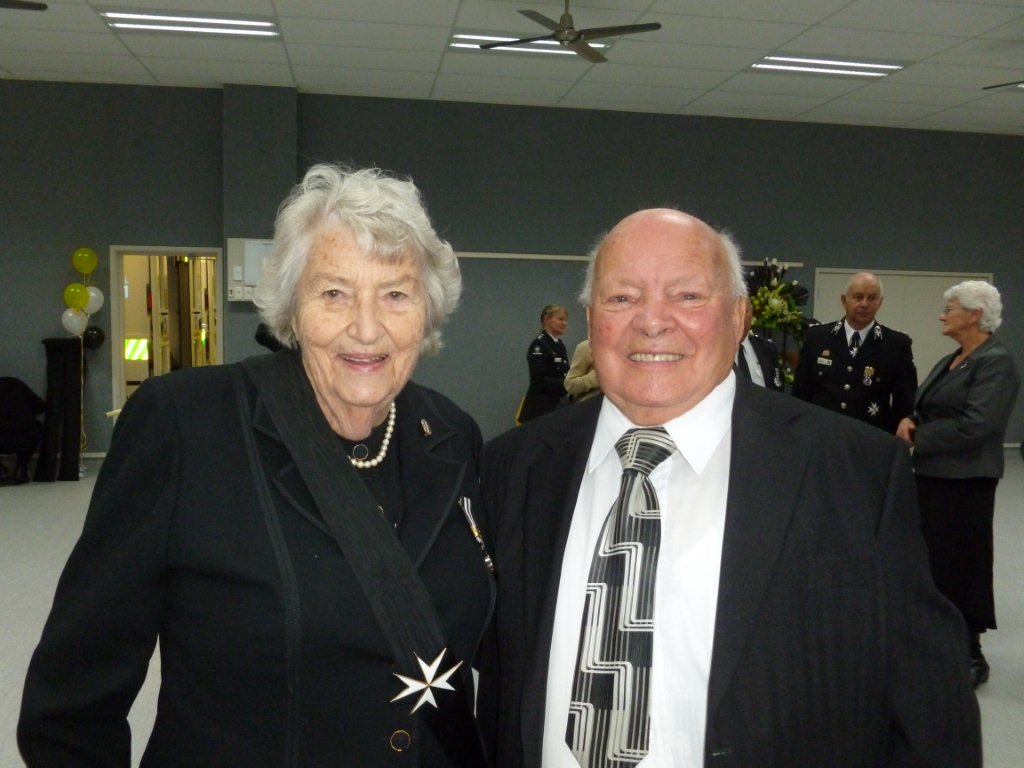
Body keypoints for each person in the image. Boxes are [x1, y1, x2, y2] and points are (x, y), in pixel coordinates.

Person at [19, 164, 494, 767]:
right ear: (292, 308)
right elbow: (72, 697)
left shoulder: (452, 434)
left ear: (427, 311)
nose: (367, 327)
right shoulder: (185, 425)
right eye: (334, 293)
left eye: (396, 294)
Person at [477, 208, 980, 768]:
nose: (652, 320)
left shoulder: (856, 471)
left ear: (739, 317)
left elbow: (930, 708)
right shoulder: (513, 467)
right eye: (622, 298)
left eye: (688, 295)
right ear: (592, 318)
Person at [896, 280, 1020, 689]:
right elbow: (928, 405)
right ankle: (936, 639)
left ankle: (970, 650)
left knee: (963, 564)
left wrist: (918, 436)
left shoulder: (995, 361)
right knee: (934, 562)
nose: (942, 314)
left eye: (950, 308)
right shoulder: (955, 359)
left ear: (974, 314)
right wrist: (913, 419)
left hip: (966, 483)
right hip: (933, 478)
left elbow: (978, 425)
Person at [792, 271, 916, 433]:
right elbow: (800, 392)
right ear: (844, 300)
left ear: (880, 302)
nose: (864, 304)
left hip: (870, 437)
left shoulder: (896, 344)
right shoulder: (817, 337)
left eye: (872, 298)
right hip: (822, 434)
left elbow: (904, 402)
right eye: (858, 297)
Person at [518, 304, 569, 423]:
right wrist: (567, 385)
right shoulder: (540, 345)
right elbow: (538, 380)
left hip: (557, 406)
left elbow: (565, 373)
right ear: (547, 319)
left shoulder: (559, 345)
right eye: (560, 319)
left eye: (565, 320)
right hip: (541, 409)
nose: (565, 323)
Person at [0, 377, 45, 484]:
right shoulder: (14, 383)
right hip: (24, 438)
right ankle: (22, 467)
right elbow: (40, 407)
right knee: (34, 428)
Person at [736, 298, 783, 390]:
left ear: (752, 314)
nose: (742, 317)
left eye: (746, 311)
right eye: (737, 312)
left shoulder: (767, 348)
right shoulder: (717, 350)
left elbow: (777, 388)